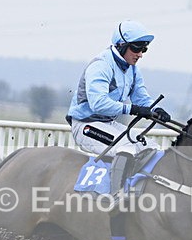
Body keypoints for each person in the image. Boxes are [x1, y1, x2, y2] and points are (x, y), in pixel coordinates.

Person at [66, 20, 172, 198]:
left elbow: (141, 98)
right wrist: (133, 109)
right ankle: (116, 195)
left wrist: (156, 109)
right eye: (136, 48)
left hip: (107, 123)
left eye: (144, 49)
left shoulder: (133, 70)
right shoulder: (101, 65)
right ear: (121, 46)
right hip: (85, 125)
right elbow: (98, 103)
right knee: (127, 147)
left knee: (150, 147)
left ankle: (138, 190)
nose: (140, 54)